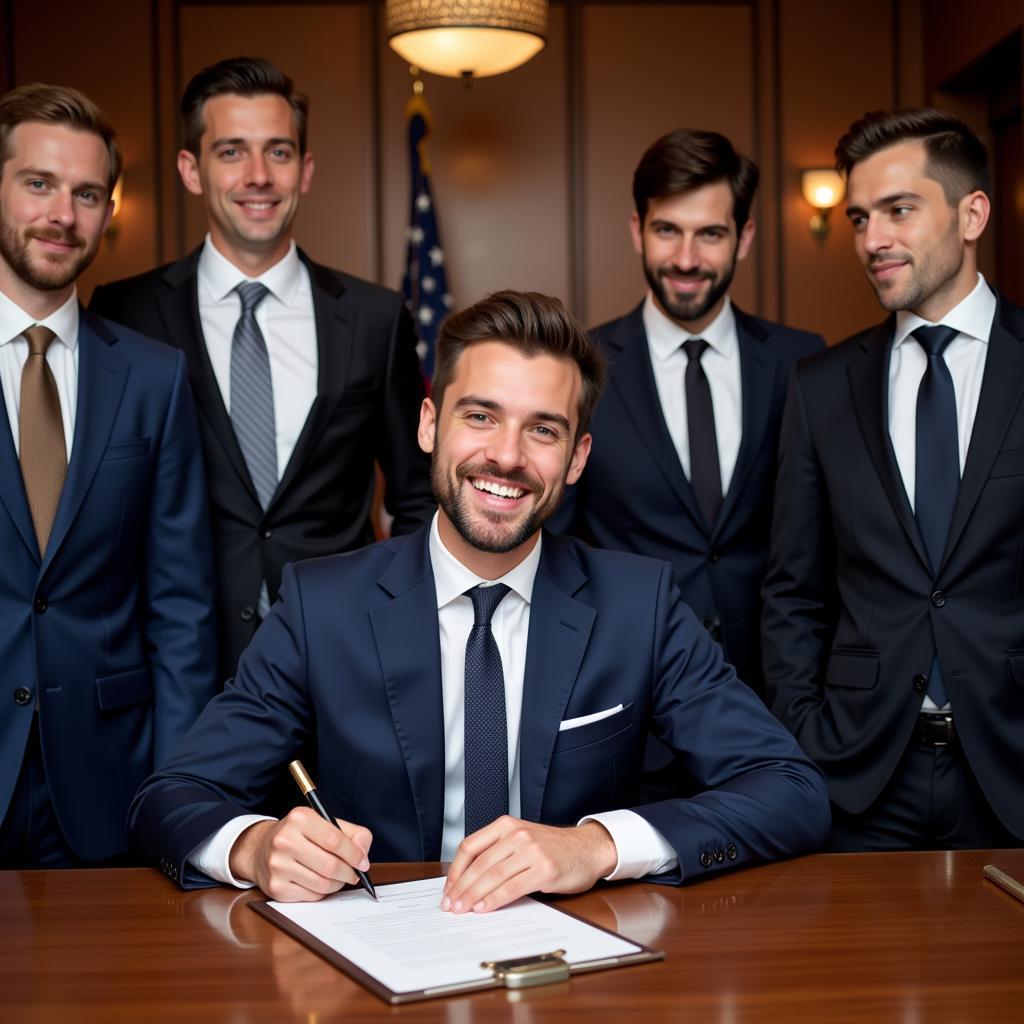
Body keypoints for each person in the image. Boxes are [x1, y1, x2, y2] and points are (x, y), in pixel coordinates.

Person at [129, 290, 830, 907]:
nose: (507, 456)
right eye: (481, 417)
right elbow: (171, 797)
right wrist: (257, 847)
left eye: (543, 430)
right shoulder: (322, 605)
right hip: (375, 958)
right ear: (430, 425)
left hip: (573, 965)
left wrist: (594, 847)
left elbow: (788, 789)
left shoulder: (638, 604)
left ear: (578, 458)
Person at [90, 56, 434, 682]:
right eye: (231, 152)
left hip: (347, 663)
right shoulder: (124, 313)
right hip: (178, 667)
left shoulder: (375, 317)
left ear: (304, 171)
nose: (257, 176)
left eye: (278, 153)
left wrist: (393, 616)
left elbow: (419, 495)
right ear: (191, 170)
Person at [762, 108, 1024, 850]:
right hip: (859, 774)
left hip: (1010, 765)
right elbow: (792, 590)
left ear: (971, 213)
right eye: (858, 218)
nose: (872, 240)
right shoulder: (820, 387)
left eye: (899, 211)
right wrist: (804, 734)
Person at [551, 129, 823, 802]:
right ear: (637, 230)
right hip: (623, 720)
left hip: (773, 718)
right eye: (667, 230)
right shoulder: (580, 369)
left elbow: (825, 547)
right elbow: (555, 548)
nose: (686, 258)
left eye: (710, 234)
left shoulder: (804, 364)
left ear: (746, 237)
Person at [0, 84, 216, 867]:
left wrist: (182, 787)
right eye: (39, 184)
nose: (63, 214)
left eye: (87, 194)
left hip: (108, 782)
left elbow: (181, 605)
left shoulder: (154, 378)